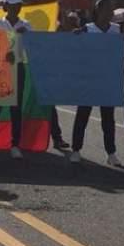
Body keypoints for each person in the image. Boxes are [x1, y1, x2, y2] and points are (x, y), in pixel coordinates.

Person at [71, 0, 123, 167]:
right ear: (99, 11)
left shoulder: (117, 31)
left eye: (112, 10)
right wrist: (75, 37)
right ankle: (76, 150)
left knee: (108, 119)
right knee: (82, 116)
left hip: (107, 81)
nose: (111, 13)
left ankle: (111, 153)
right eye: (108, 9)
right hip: (89, 80)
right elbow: (74, 50)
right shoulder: (87, 29)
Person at [0, 0, 30, 159]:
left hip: (18, 67)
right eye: (13, 5)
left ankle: (15, 145)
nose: (16, 8)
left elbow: (31, 49)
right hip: (0, 69)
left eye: (18, 5)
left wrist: (28, 35)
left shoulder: (26, 25)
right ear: (6, 6)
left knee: (15, 108)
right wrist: (3, 54)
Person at [48, 11, 80, 150]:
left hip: (47, 71)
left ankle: (57, 138)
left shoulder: (58, 28)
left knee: (48, 105)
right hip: (26, 67)